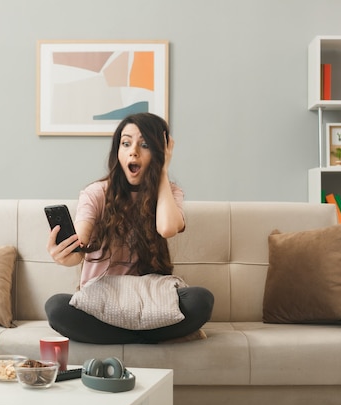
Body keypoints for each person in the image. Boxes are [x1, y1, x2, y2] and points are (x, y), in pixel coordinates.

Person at [45, 112, 214, 344]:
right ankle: (150, 337)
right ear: (118, 152)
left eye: (144, 144)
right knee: (55, 308)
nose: (133, 151)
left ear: (159, 152)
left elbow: (166, 228)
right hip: (102, 298)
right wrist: (64, 255)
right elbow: (79, 247)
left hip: (150, 299)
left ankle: (118, 337)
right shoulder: (96, 193)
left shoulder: (171, 193)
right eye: (126, 143)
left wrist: (162, 172)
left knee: (201, 300)